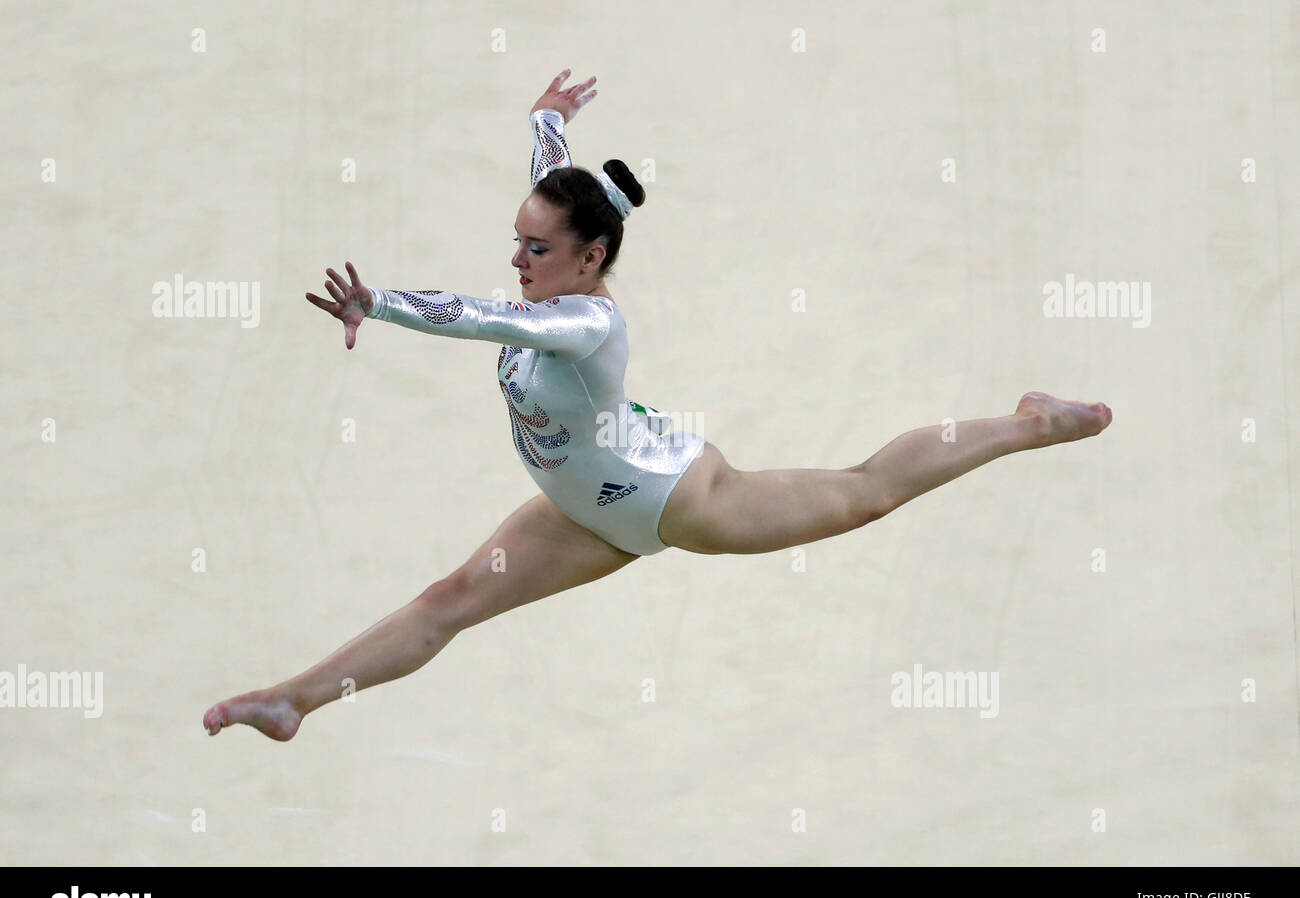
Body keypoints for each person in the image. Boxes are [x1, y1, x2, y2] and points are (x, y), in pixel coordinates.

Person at [204, 69, 1111, 741]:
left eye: (537, 250)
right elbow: (554, 175)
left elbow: (477, 320)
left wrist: (381, 303)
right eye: (516, 242)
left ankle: (1030, 422)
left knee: (865, 491)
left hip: (678, 496)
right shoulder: (568, 246)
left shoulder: (580, 324)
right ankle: (295, 699)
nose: (518, 261)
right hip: (583, 503)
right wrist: (547, 118)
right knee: (446, 600)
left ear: (592, 258)